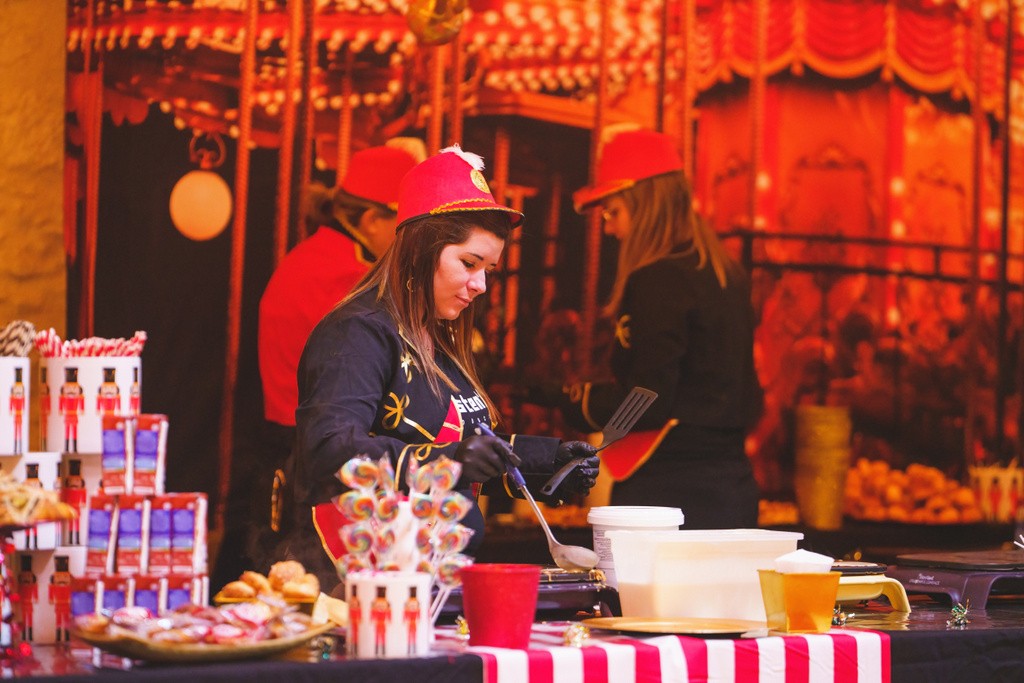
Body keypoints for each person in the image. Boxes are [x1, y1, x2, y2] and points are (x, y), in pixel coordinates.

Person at [287, 145, 600, 591]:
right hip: (354, 582)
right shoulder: (357, 332)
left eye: (489, 269)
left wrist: (545, 461)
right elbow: (330, 449)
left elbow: (459, 447)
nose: (481, 284)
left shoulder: (435, 334)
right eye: (469, 263)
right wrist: (449, 461)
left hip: (427, 578)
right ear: (420, 248)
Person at [561, 128, 763, 529]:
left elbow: (647, 399)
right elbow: (750, 395)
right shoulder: (727, 273)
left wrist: (577, 402)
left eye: (613, 211)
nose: (608, 227)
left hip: (666, 493)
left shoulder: (657, 279)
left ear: (645, 204)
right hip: (732, 485)